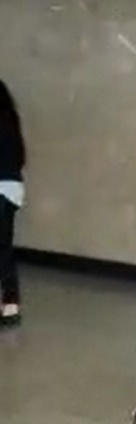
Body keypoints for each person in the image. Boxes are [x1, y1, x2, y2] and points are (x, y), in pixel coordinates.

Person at [0, 79, 25, 327]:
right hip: (12, 189)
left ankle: (10, 303)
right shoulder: (11, 123)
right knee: (3, 247)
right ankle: (10, 302)